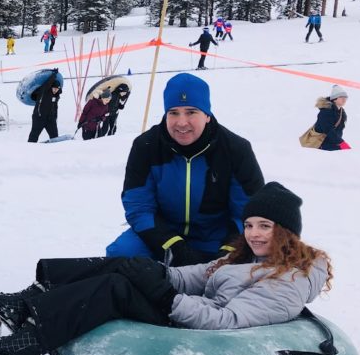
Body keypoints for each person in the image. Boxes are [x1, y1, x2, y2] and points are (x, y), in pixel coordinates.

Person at [0, 182, 331, 355]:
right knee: (129, 264)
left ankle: (24, 349)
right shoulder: (250, 258)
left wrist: (164, 295)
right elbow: (200, 273)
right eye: (249, 224)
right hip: (189, 312)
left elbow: (227, 322)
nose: (253, 233)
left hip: (200, 334)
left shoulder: (289, 280)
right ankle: (26, 302)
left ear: (285, 232)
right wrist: (160, 274)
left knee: (116, 287)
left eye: (264, 226)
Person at [106, 72, 264, 265]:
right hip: (163, 234)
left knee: (256, 265)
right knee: (122, 253)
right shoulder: (146, 146)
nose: (181, 122)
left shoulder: (235, 149)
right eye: (173, 113)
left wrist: (229, 249)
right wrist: (171, 245)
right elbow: (139, 206)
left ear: (207, 115)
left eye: (191, 112)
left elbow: (249, 210)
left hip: (216, 238)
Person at [312, 85, 349, 151]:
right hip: (321, 144)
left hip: (333, 142)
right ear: (334, 99)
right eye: (341, 97)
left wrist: (339, 142)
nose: (344, 99)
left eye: (345, 97)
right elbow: (327, 130)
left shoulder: (341, 112)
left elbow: (338, 130)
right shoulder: (326, 112)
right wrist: (341, 142)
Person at [27, 73, 61, 143]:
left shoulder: (56, 96)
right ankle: (29, 148)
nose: (55, 90)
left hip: (50, 119)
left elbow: (55, 108)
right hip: (39, 117)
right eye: (54, 88)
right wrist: (53, 76)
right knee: (34, 135)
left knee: (55, 136)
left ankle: (56, 151)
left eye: (57, 89)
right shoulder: (44, 92)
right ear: (51, 87)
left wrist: (55, 117)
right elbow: (47, 84)